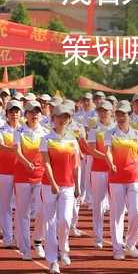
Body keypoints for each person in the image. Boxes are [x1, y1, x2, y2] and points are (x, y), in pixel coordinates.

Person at [39, 105, 81, 274]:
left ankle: (63, 249)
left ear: (69, 119)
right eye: (59, 116)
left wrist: (78, 186)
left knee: (64, 220)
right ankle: (52, 260)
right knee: (50, 222)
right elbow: (46, 162)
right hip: (49, 185)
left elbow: (76, 165)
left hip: (68, 185)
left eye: (65, 117)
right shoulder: (46, 139)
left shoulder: (73, 140)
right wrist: (53, 183)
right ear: (53, 119)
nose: (62, 119)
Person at [106, 101, 138, 260]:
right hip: (116, 179)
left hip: (135, 177)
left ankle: (130, 244)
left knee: (136, 212)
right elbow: (107, 151)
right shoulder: (111, 134)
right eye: (119, 114)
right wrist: (111, 163)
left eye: (124, 114)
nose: (121, 117)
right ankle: (117, 248)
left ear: (130, 115)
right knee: (117, 213)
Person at [14, 100, 48, 260]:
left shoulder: (45, 132)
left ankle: (38, 241)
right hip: (22, 177)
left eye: (37, 112)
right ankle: (25, 248)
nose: (34, 114)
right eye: (31, 112)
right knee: (23, 213)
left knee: (42, 211)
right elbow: (17, 152)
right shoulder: (19, 131)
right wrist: (26, 163)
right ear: (25, 114)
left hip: (41, 176)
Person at [86, 100, 115, 248]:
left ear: (112, 112)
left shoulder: (117, 129)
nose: (103, 113)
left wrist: (113, 162)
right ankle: (98, 236)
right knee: (98, 204)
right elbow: (91, 150)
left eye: (106, 111)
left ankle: (116, 236)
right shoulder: (94, 130)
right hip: (98, 171)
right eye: (101, 111)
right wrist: (106, 157)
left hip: (115, 172)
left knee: (116, 205)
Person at [0, 100, 23, 248]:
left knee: (21, 206)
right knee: (5, 205)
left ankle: (20, 236)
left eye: (17, 112)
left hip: (22, 173)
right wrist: (16, 150)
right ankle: (8, 236)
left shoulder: (24, 130)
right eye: (11, 112)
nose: (14, 114)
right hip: (5, 172)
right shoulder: (2, 129)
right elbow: (1, 146)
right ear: (7, 114)